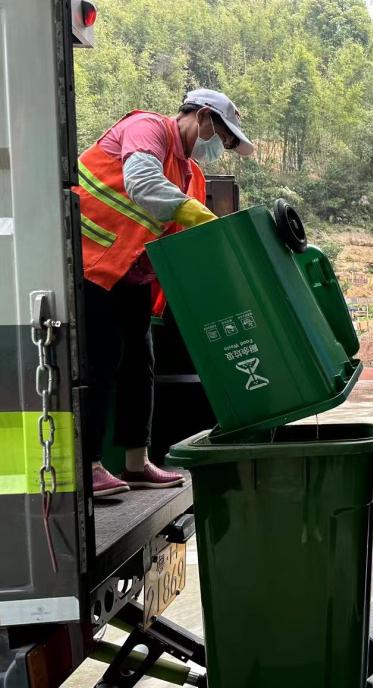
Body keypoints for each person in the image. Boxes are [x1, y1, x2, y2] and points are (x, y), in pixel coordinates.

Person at [75, 89, 254, 497]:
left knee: (141, 363)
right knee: (100, 361)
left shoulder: (192, 174)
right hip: (86, 264)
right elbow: (142, 183)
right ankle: (89, 466)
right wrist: (198, 215)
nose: (220, 148)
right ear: (204, 117)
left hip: (128, 276)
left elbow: (182, 240)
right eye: (222, 138)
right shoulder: (147, 129)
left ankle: (136, 464)